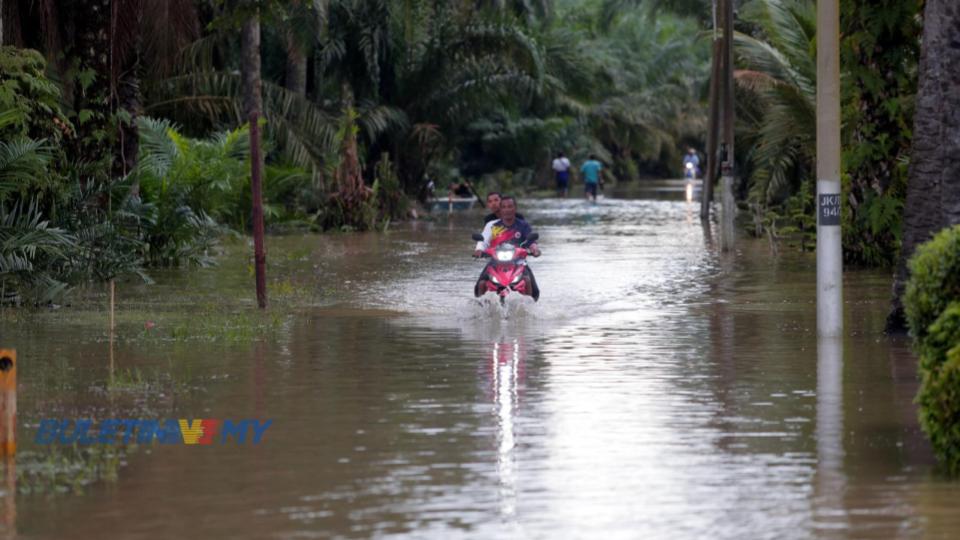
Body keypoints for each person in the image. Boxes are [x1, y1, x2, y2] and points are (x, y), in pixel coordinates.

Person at [473, 195, 541, 300]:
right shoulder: (493, 226)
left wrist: (534, 249)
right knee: (481, 284)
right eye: (504, 207)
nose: (507, 210)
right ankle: (481, 308)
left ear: (515, 208)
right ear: (500, 209)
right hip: (495, 262)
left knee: (529, 283)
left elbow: (531, 241)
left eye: (510, 206)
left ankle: (528, 309)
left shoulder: (523, 225)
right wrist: (479, 250)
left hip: (519, 263)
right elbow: (483, 241)